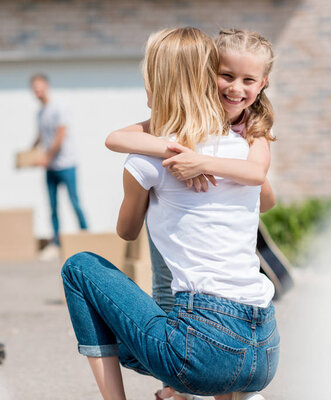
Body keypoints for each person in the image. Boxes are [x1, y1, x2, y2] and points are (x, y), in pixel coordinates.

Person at [61, 27, 278, 400]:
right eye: (226, 76)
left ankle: (167, 389)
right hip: (265, 349)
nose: (235, 88)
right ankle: (199, 390)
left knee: (80, 269)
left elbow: (127, 232)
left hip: (206, 348)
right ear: (207, 79)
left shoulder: (148, 157)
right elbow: (263, 193)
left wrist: (162, 172)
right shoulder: (244, 145)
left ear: (155, 86)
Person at [29, 74, 88, 252]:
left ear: (47, 86)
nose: (38, 90)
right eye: (34, 88)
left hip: (67, 164)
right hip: (51, 168)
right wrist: (29, 153)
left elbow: (61, 135)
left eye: (40, 86)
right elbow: (40, 137)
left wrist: (47, 157)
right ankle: (57, 242)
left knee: (74, 202)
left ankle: (86, 237)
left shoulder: (58, 107)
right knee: (53, 207)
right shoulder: (40, 112)